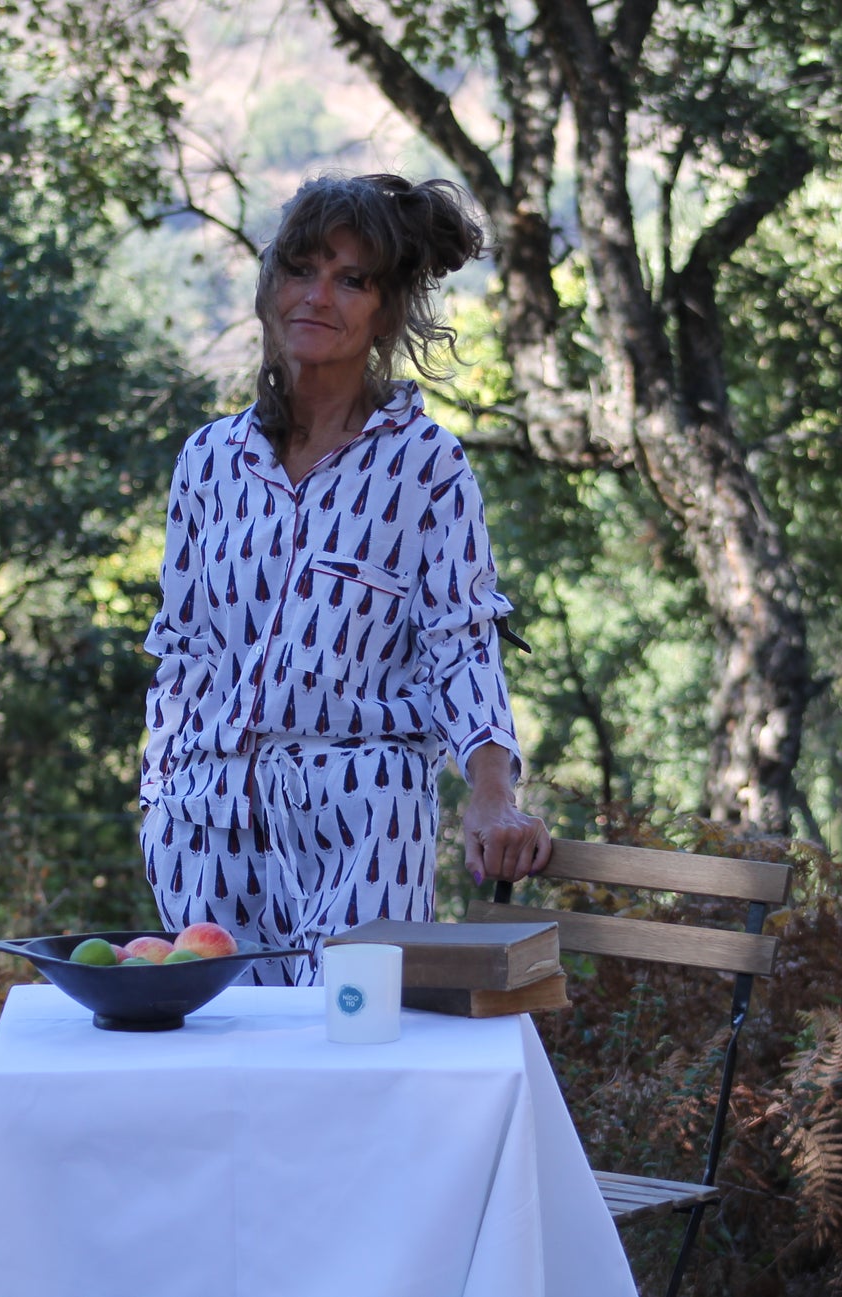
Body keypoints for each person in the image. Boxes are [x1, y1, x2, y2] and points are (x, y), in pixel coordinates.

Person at [139, 173, 550, 985]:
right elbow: (183, 647)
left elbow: (461, 642)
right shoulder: (207, 463)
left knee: (352, 1049)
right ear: (269, 286)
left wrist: (492, 790)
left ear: (385, 311)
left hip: (364, 815)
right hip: (205, 824)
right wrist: (163, 791)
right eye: (302, 268)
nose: (318, 296)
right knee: (230, 1072)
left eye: (352, 279)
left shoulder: (425, 466)